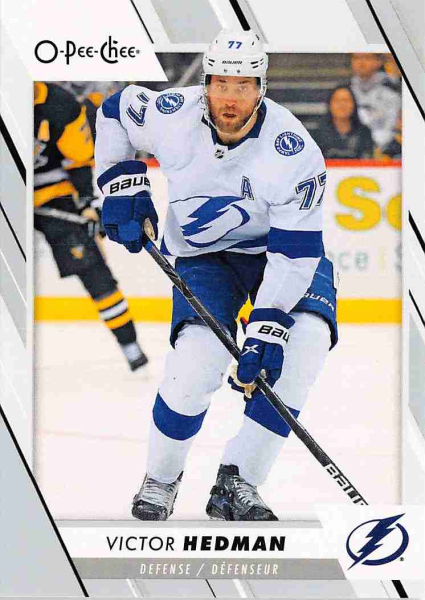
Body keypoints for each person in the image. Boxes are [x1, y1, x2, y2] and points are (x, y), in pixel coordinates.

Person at [95, 30, 338, 521]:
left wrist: (268, 327)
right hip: (204, 257)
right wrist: (122, 185)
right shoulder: (171, 115)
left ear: (262, 88)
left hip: (277, 255)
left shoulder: (293, 151)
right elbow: (115, 110)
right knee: (198, 361)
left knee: (304, 344)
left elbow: (294, 254)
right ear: (205, 82)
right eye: (221, 83)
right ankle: (161, 477)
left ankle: (239, 480)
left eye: (243, 85)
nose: (230, 98)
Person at [34, 82, 148, 371]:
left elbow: (79, 160)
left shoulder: (60, 104)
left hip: (53, 193)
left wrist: (87, 202)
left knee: (92, 266)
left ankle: (130, 345)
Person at [350, 53, 401, 149]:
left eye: (367, 57)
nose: (361, 62)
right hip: (356, 147)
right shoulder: (345, 90)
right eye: (356, 58)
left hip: (388, 146)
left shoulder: (395, 88)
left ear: (379, 61)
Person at [313, 86, 375, 159]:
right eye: (337, 100)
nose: (342, 104)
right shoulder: (318, 134)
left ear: (354, 104)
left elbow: (367, 160)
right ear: (329, 104)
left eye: (346, 100)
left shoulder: (364, 132)